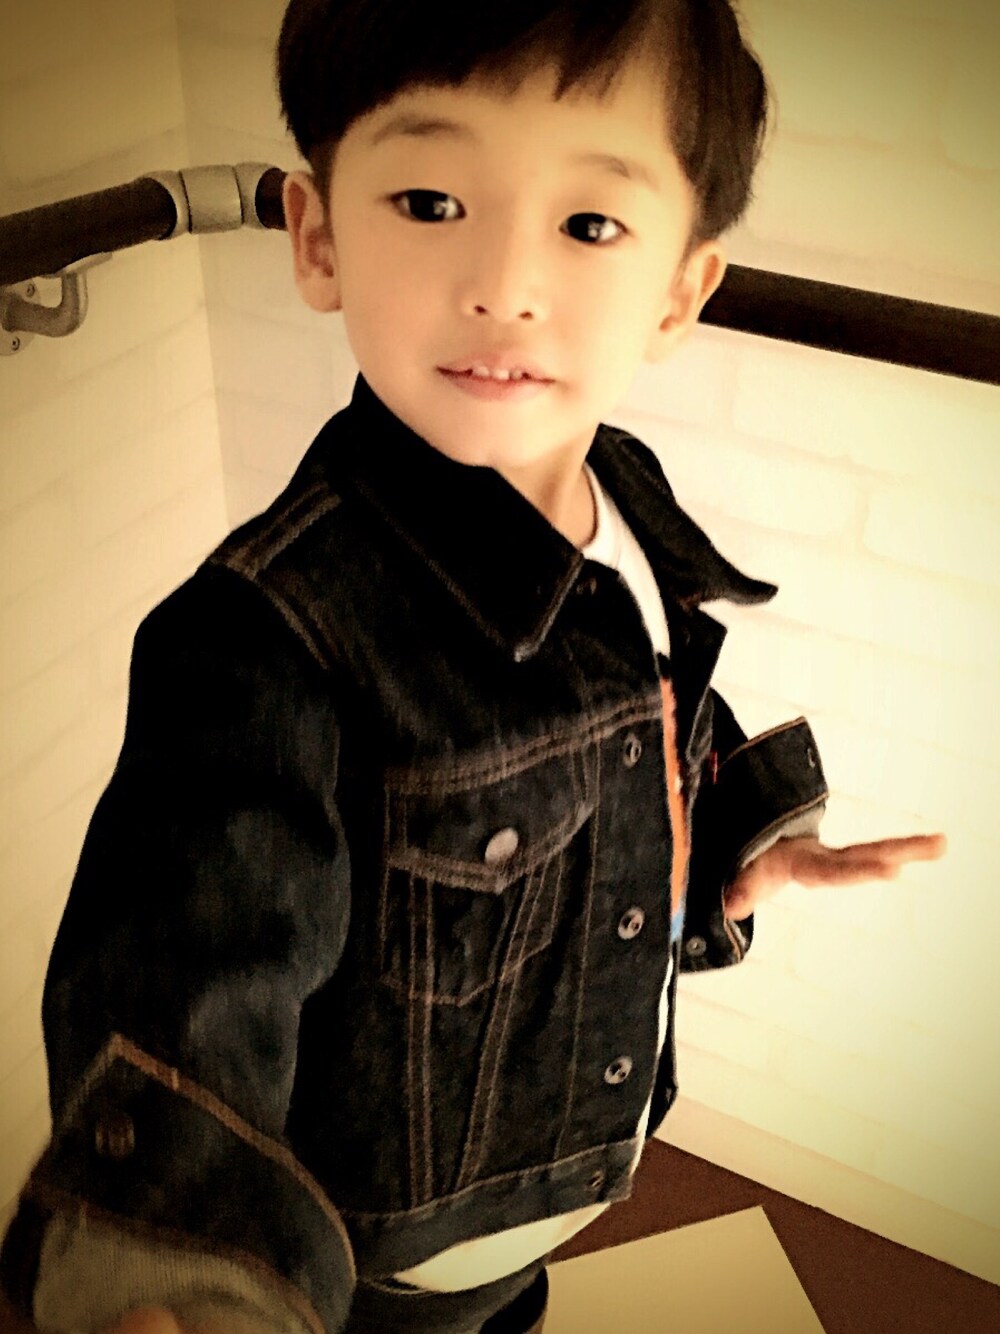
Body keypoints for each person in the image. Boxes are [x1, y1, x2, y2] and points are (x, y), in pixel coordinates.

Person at [0, 3, 946, 1332]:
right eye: (432, 200)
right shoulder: (269, 638)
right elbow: (182, 1006)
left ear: (680, 291)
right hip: (385, 1269)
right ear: (319, 238)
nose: (505, 282)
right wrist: (169, 1286)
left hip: (545, 1183)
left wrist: (737, 843)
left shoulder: (626, 495)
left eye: (589, 223)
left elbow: (635, 719)